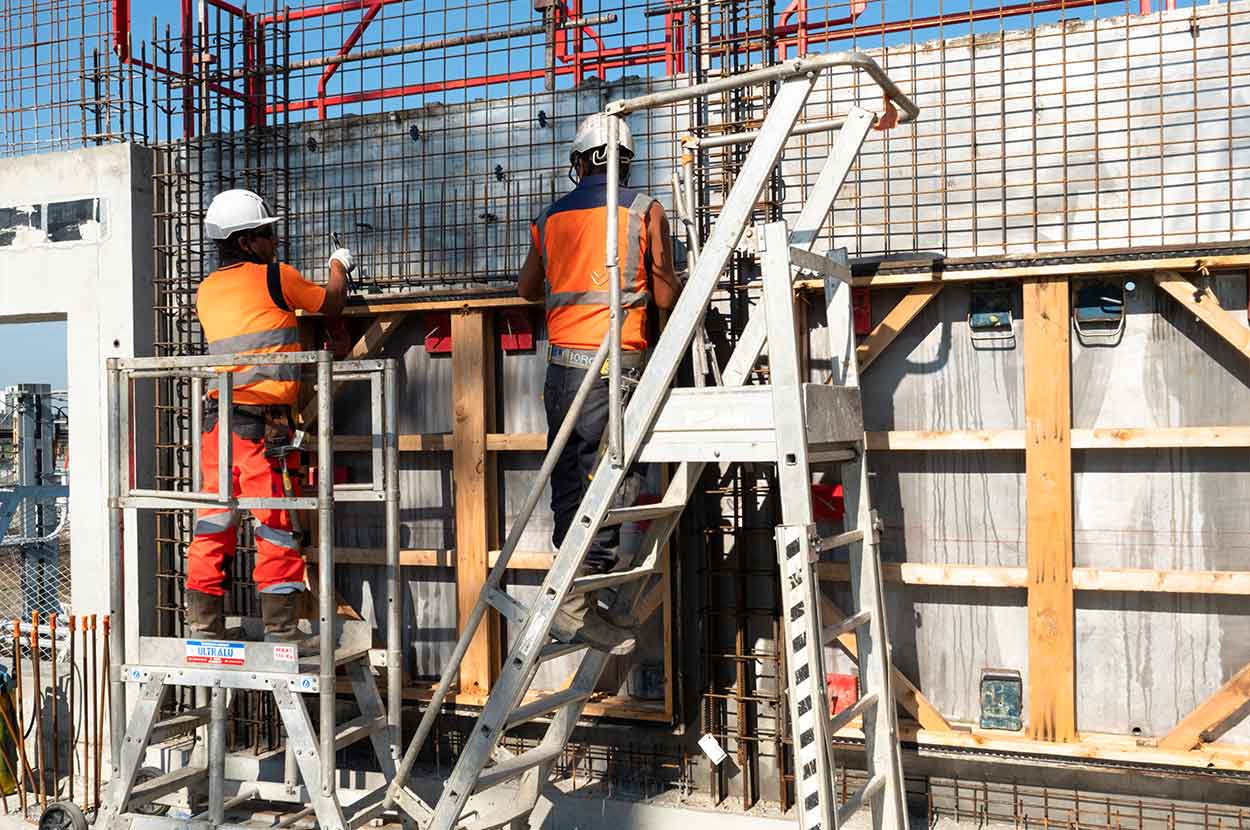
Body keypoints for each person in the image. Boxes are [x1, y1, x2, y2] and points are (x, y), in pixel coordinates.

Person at [517, 114, 680, 654]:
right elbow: (662, 298)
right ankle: (581, 598)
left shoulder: (550, 218)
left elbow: (526, 290)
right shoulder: (644, 210)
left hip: (563, 366)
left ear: (582, 160)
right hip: (619, 362)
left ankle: (576, 595)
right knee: (613, 477)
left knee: (570, 476)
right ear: (626, 160)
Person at [186, 188, 353, 644]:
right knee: (276, 523)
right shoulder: (276, 277)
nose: (275, 241)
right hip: (262, 422)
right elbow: (330, 302)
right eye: (266, 234)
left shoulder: (206, 289)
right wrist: (340, 265)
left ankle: (203, 626)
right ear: (245, 242)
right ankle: (281, 631)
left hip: (216, 423)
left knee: (213, 523)